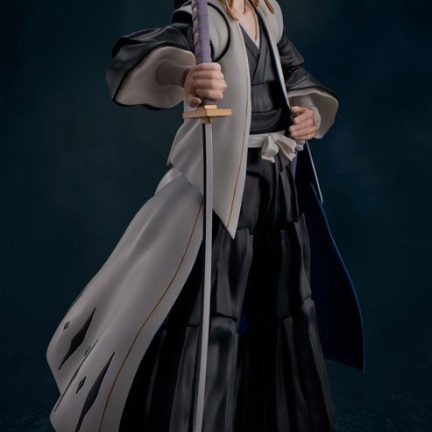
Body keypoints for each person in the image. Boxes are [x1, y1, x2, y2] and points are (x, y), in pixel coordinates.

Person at [46, 1, 365, 431]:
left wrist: (307, 111)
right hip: (226, 184)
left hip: (277, 176)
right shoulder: (205, 18)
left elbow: (291, 74)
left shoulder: (268, 16)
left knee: (285, 297)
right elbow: (147, 55)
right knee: (210, 303)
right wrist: (186, 76)